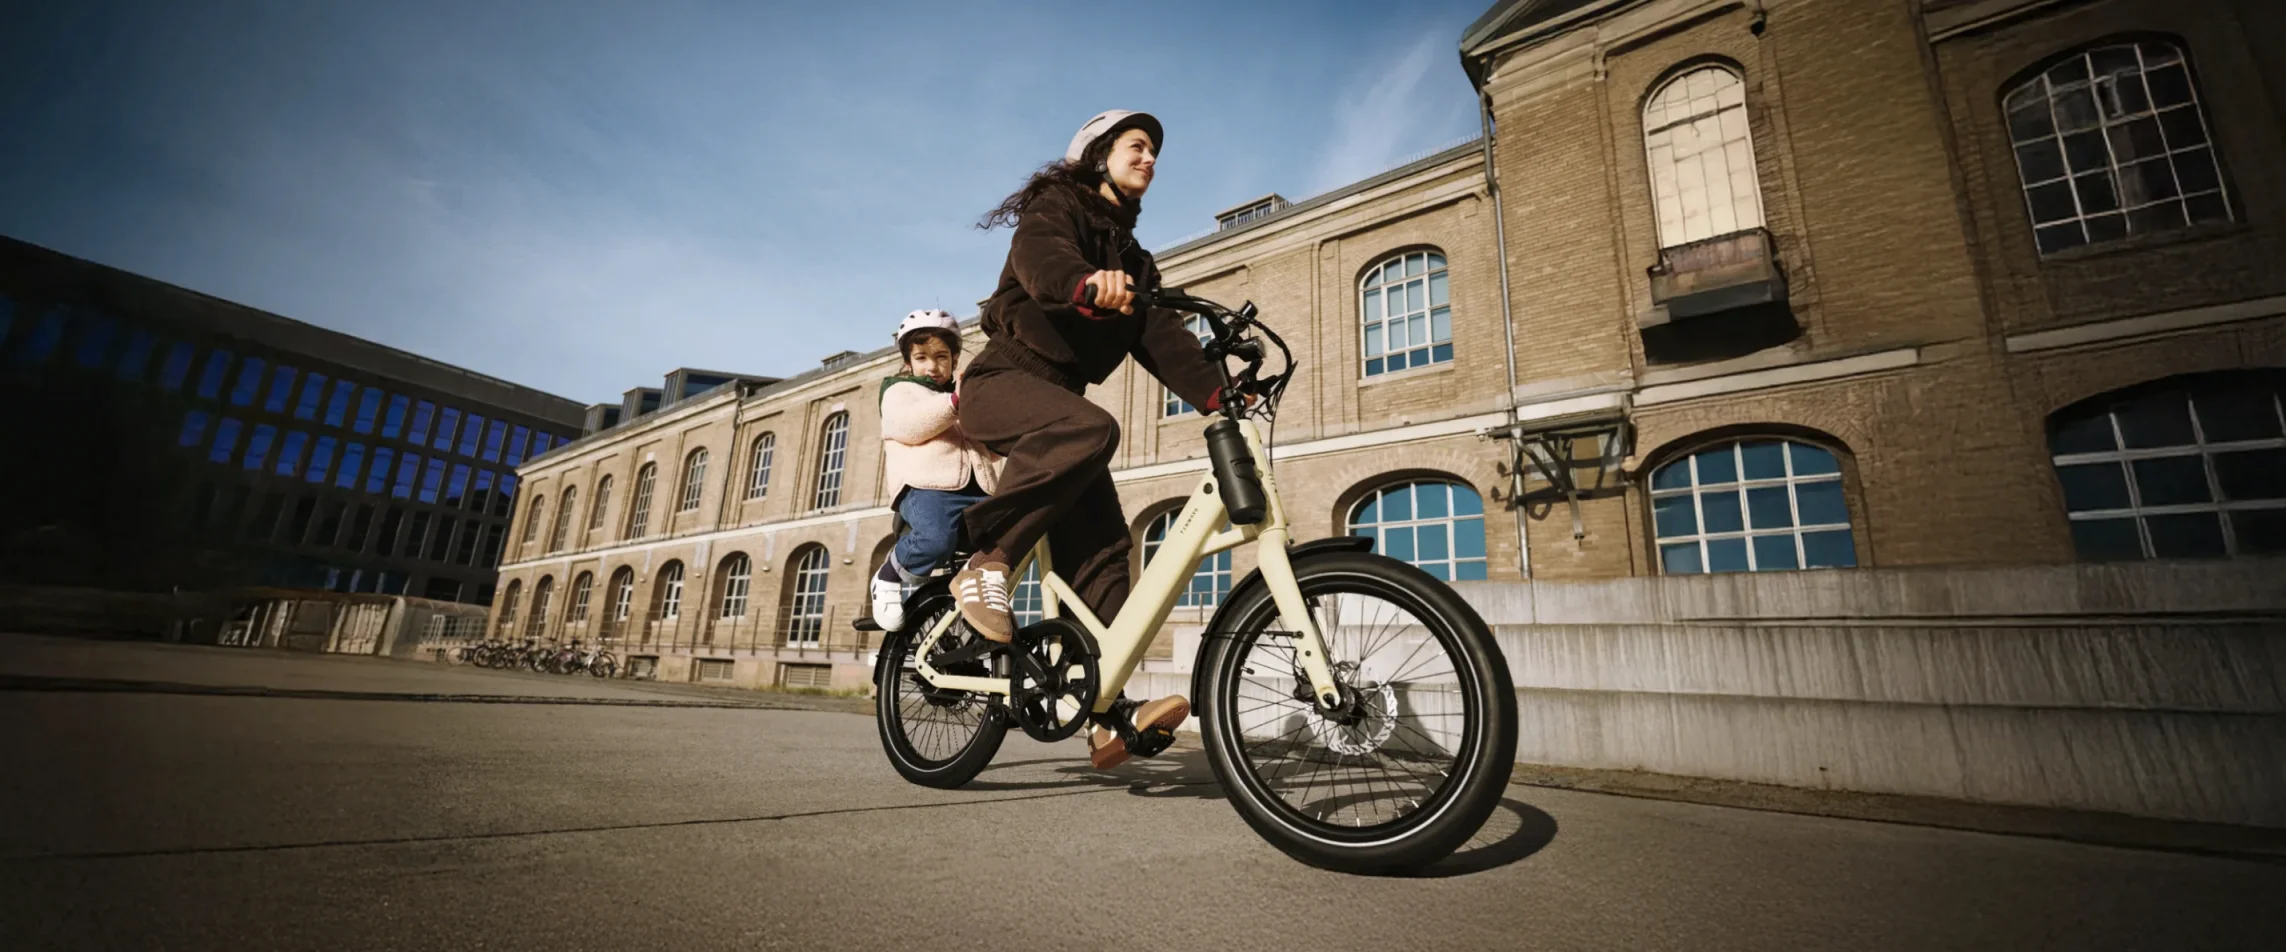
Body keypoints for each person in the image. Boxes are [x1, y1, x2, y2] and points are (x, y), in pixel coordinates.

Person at [952, 109, 1236, 770]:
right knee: (1091, 427)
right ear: (1099, 153)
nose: (1150, 159)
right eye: (1138, 146)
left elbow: (1162, 337)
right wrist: (1082, 283)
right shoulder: (1056, 208)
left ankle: (1107, 713)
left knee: (1108, 554)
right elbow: (1042, 260)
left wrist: (1223, 393)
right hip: (1002, 383)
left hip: (1061, 414)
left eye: (1155, 152)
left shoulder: (1134, 260)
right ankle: (987, 560)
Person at [870, 309, 1002, 632]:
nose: (932, 366)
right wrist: (955, 402)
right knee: (936, 538)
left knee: (1006, 542)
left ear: (954, 360)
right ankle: (889, 575)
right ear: (908, 363)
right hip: (926, 488)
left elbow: (989, 443)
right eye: (922, 358)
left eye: (942, 357)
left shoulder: (963, 395)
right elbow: (912, 425)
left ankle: (977, 604)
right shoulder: (898, 391)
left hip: (978, 491)